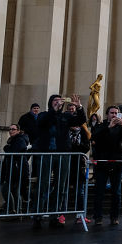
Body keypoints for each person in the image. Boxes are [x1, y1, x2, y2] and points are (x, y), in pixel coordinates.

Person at [31, 94, 86, 228]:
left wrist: (79, 107)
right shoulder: (44, 115)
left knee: (60, 186)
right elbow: (41, 124)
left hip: (63, 154)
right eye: (55, 101)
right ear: (50, 103)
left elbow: (80, 120)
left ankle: (54, 215)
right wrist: (53, 110)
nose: (58, 103)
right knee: (43, 185)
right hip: (47, 153)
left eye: (59, 101)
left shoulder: (65, 116)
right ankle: (37, 216)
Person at [90, 105, 122, 225]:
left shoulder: (121, 126)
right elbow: (95, 138)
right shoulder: (101, 126)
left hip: (117, 162)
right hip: (103, 163)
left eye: (116, 113)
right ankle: (98, 217)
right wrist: (109, 127)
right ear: (107, 114)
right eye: (111, 113)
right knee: (99, 191)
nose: (114, 115)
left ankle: (114, 217)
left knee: (116, 192)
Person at [0, 124, 30, 217]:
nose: (11, 131)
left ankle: (12, 211)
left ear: (18, 131)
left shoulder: (20, 139)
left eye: (13, 129)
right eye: (10, 129)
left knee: (6, 189)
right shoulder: (14, 140)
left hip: (16, 169)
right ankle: (17, 212)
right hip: (13, 168)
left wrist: (6, 148)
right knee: (14, 190)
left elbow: (14, 152)